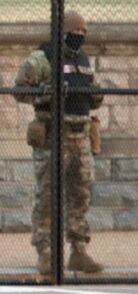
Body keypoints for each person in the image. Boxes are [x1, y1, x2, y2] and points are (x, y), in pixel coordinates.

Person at [13, 10, 104, 275]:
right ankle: (45, 252)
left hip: (81, 136)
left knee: (81, 194)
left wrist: (95, 94)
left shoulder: (83, 61)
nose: (79, 36)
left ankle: (78, 250)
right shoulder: (42, 59)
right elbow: (19, 90)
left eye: (83, 33)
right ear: (61, 32)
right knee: (47, 195)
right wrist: (44, 92)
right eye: (75, 32)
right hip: (53, 136)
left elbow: (93, 90)